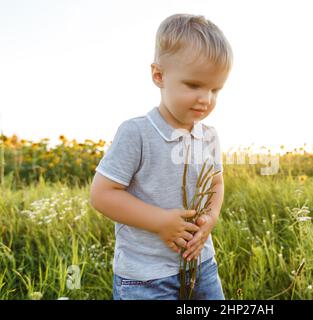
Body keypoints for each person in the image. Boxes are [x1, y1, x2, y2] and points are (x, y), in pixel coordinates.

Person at [89, 13, 233, 300]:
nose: (206, 98)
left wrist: (212, 218)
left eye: (215, 89)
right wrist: (160, 221)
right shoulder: (137, 133)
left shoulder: (209, 136)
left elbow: (216, 183)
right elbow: (102, 195)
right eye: (194, 85)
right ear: (159, 75)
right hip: (145, 277)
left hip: (201, 263)